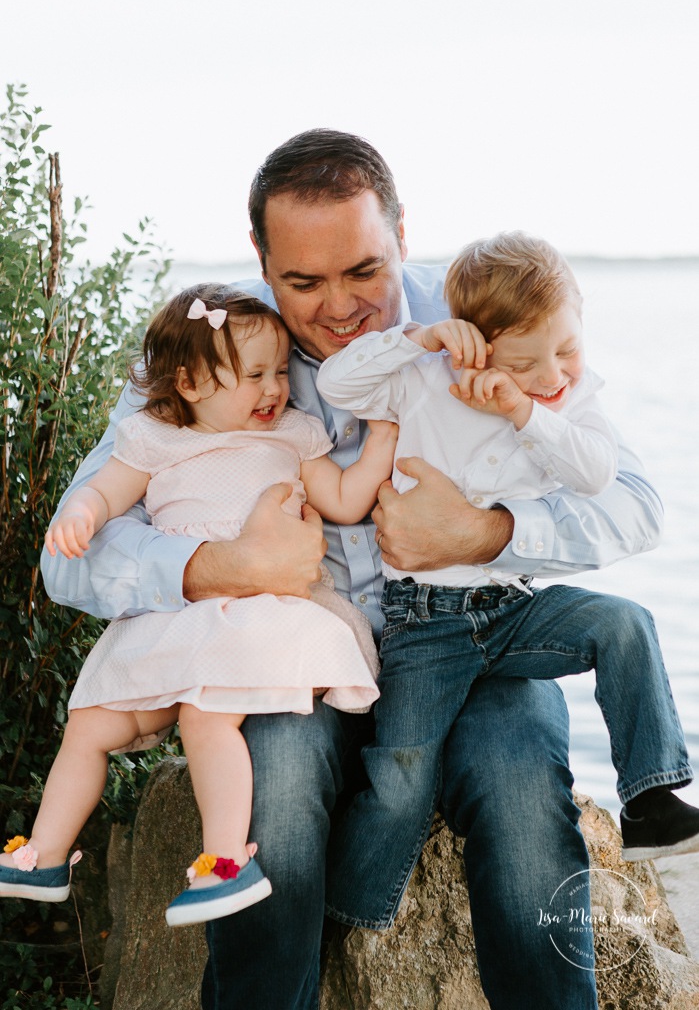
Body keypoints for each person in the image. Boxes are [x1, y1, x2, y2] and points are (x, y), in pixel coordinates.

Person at [40, 129, 666, 1010]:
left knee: (522, 794)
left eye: (363, 272)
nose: (339, 308)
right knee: (280, 805)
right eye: (302, 282)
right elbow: (70, 558)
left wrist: (483, 532)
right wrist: (220, 564)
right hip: (294, 663)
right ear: (260, 255)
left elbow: (634, 502)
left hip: (476, 639)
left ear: (402, 233)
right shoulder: (212, 345)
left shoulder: (478, 315)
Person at [316, 230, 699, 925]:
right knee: (401, 775)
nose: (554, 372)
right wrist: (421, 338)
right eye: (525, 362)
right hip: (425, 620)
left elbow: (594, 474)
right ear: (478, 347)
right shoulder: (423, 379)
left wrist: (526, 411)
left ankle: (650, 802)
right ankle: (348, 913)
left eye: (567, 348)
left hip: (513, 608)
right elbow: (334, 381)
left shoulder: (564, 400)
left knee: (624, 623)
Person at [2, 287, 394, 928]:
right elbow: (103, 493)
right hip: (180, 614)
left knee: (206, 716)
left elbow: (347, 499)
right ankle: (43, 855)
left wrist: (383, 438)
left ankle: (224, 864)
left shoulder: (295, 433)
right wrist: (79, 512)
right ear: (188, 382)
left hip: (260, 616)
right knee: (91, 722)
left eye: (278, 372)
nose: (274, 389)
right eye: (254, 375)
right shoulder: (154, 438)